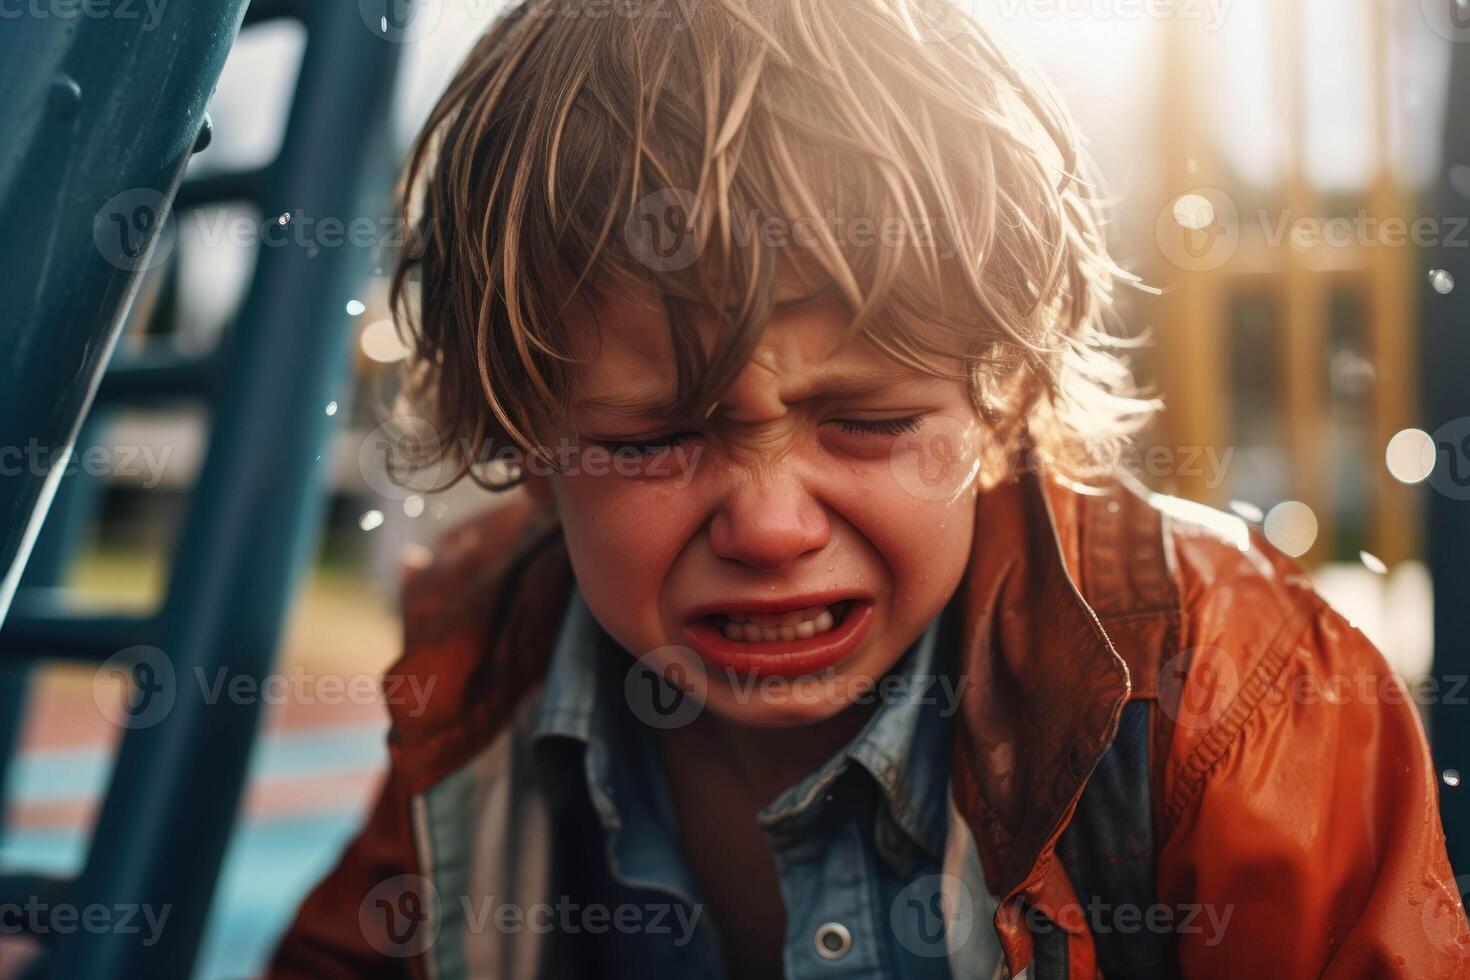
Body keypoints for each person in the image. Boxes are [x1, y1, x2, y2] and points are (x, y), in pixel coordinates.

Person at [268, 0, 1469, 975]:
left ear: (1005, 399)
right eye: (649, 442)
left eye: (869, 422)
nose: (771, 523)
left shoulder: (1234, 697)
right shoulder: (493, 676)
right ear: (530, 439)